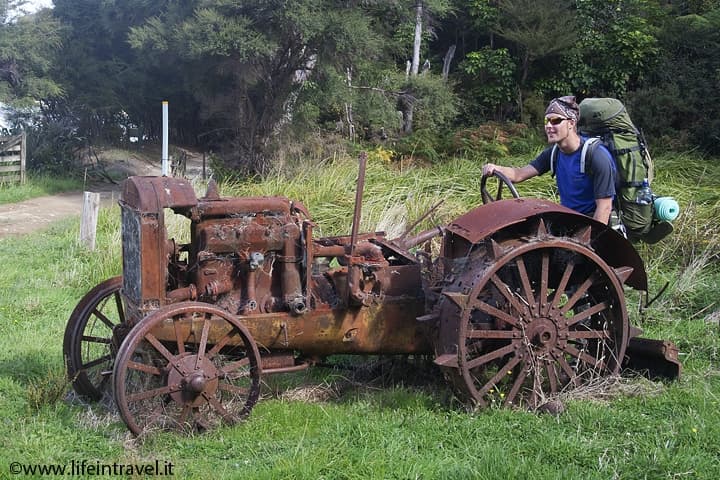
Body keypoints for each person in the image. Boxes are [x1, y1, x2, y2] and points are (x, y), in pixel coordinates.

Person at [483, 96, 616, 225]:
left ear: (571, 123)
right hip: (568, 219)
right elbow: (519, 174)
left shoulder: (597, 156)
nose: (548, 126)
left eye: (555, 120)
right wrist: (497, 168)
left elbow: (604, 207)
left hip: (591, 222)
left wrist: (592, 243)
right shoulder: (554, 153)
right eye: (546, 121)